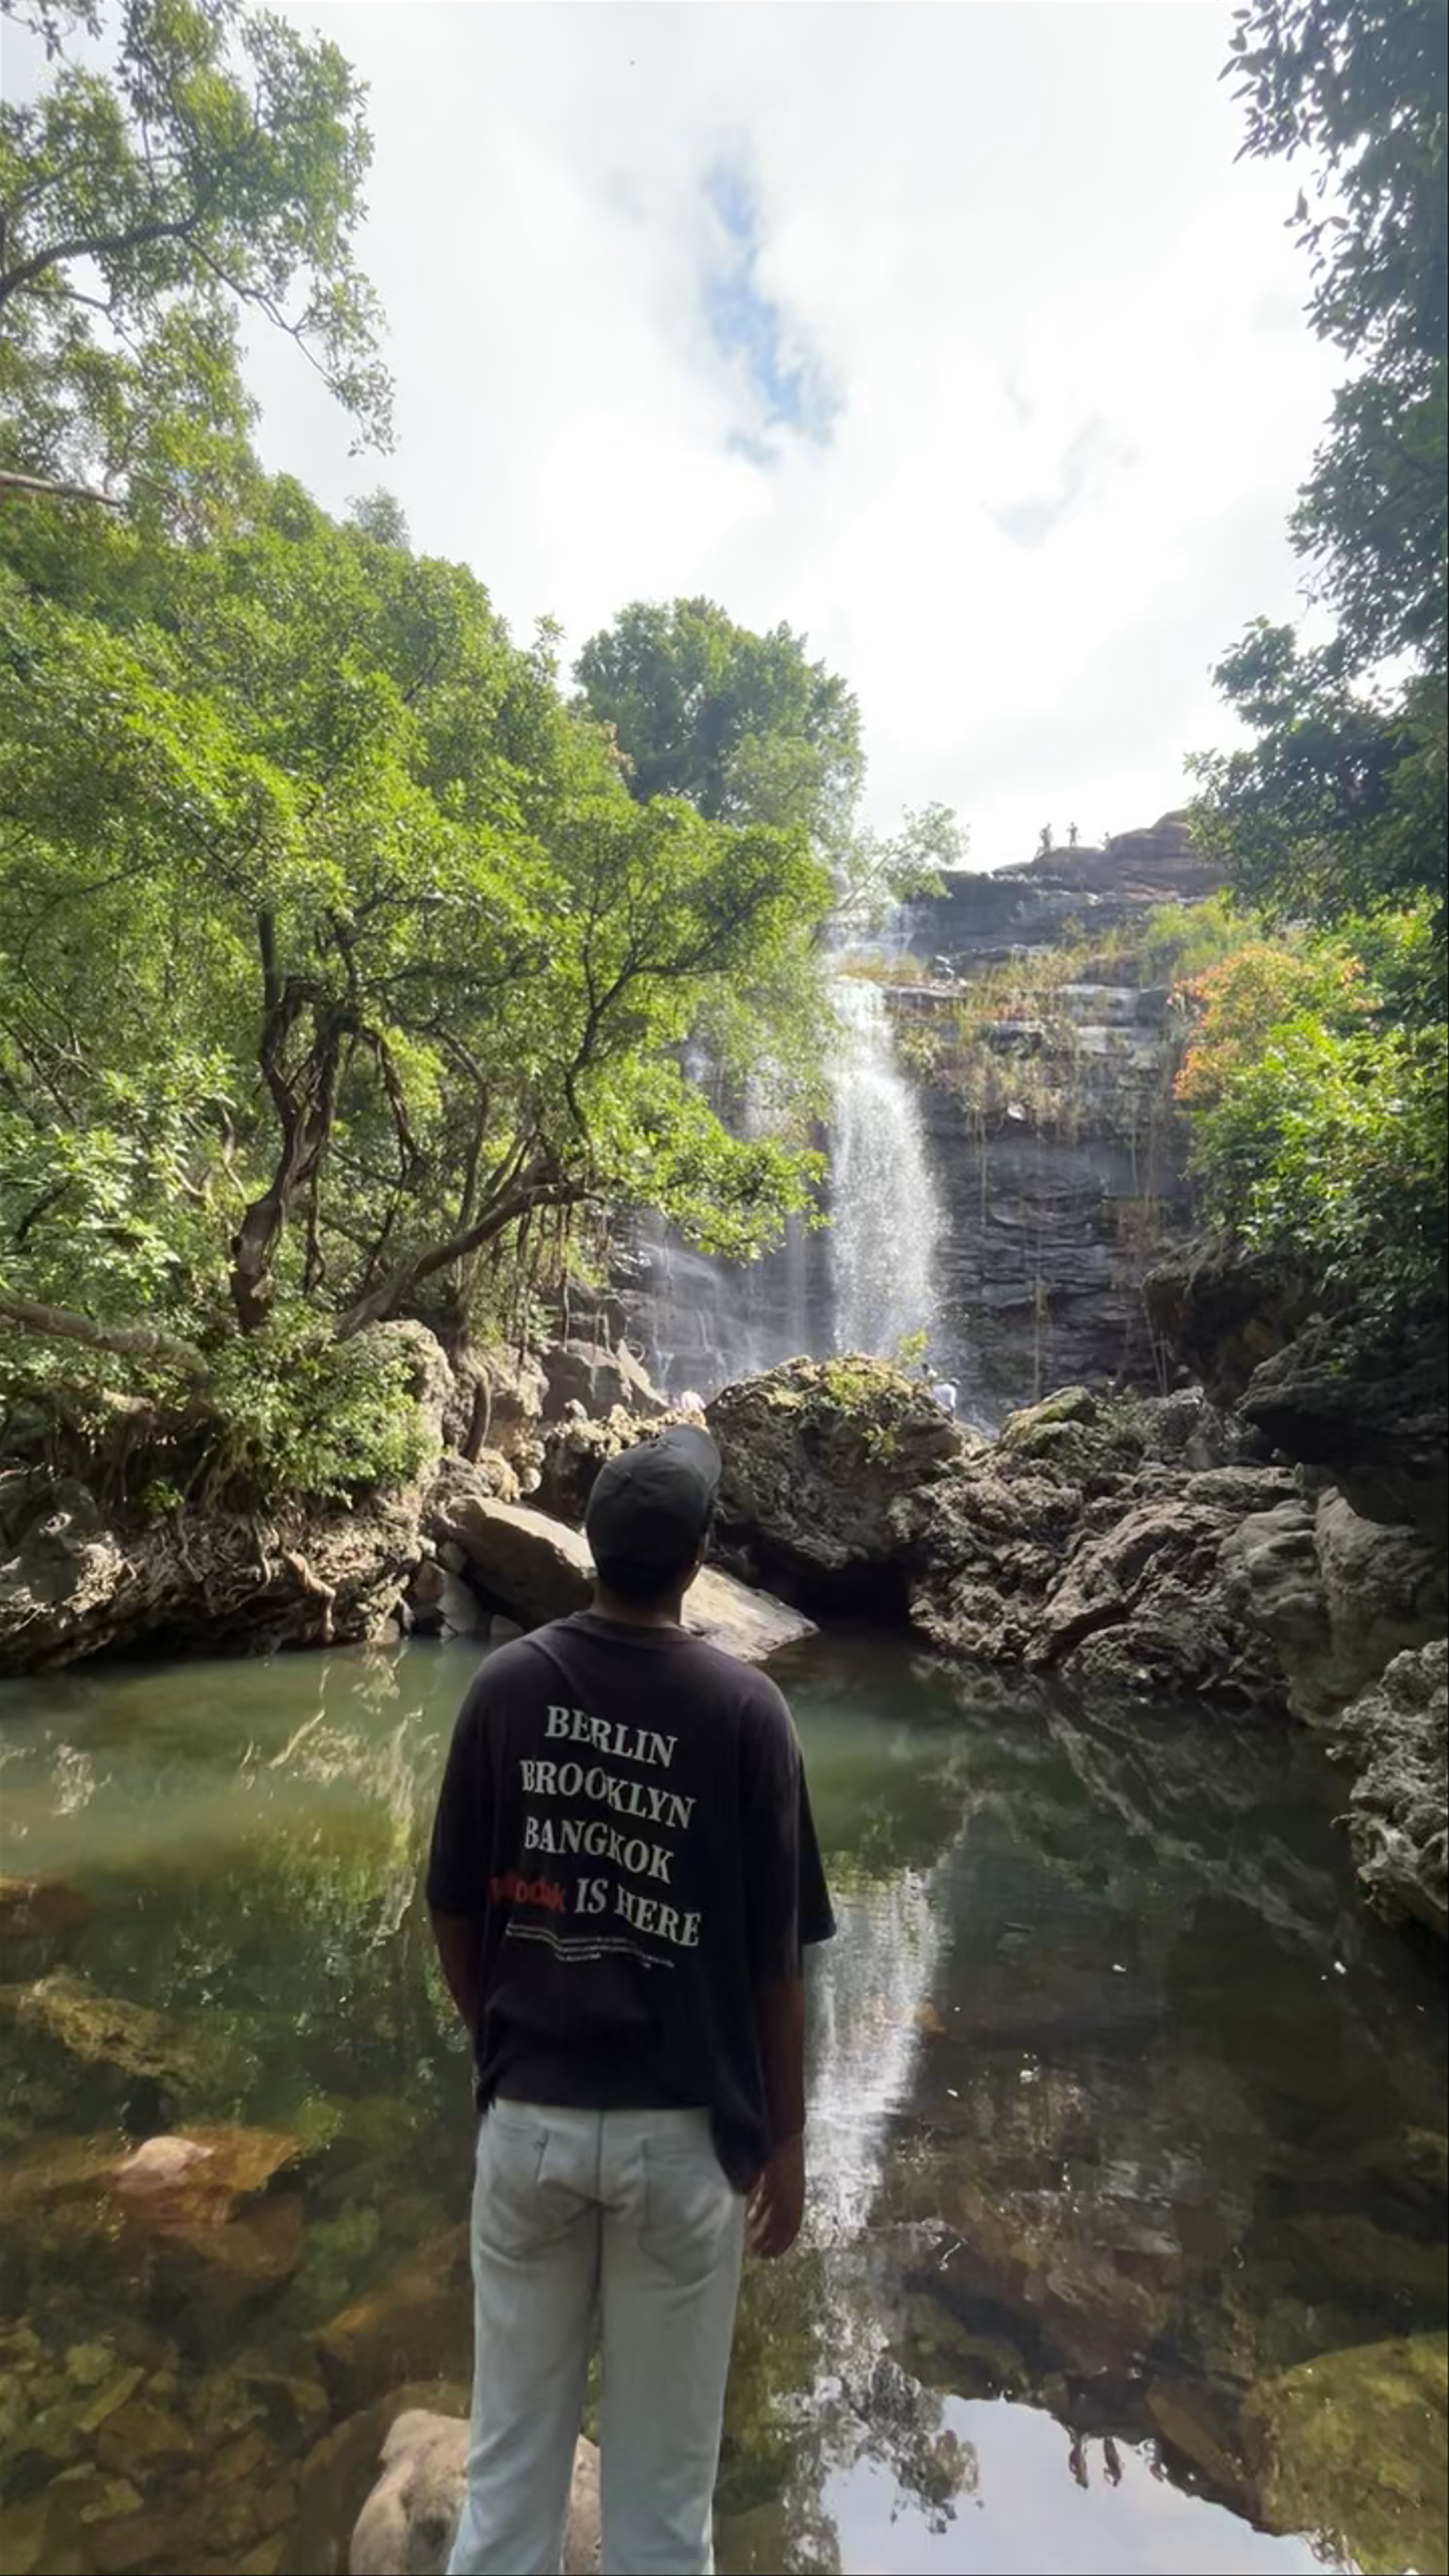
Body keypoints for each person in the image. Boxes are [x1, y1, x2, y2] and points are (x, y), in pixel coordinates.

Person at [427, 1425, 835, 2576]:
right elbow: (776, 1966)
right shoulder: (748, 1712)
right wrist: (787, 2140)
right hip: (683, 2145)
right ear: (698, 1560)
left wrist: (499, 2046)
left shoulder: (505, 1688)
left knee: (505, 2497)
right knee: (662, 2519)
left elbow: (452, 1910)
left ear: (589, 1549)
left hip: (530, 2128)